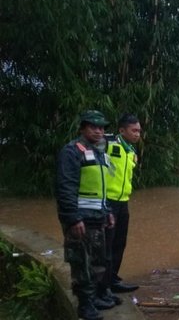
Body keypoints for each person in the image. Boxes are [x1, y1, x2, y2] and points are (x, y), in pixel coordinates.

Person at [56, 110, 117, 320]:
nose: (99, 131)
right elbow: (65, 187)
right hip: (80, 219)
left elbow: (102, 187)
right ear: (83, 128)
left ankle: (94, 298)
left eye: (101, 127)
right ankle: (84, 305)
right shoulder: (72, 151)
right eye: (93, 127)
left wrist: (108, 211)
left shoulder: (100, 153)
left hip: (98, 216)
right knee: (82, 263)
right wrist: (73, 217)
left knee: (98, 262)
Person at [104, 114, 141, 293]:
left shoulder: (131, 151)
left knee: (119, 243)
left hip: (123, 202)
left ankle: (113, 280)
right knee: (106, 244)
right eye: (133, 130)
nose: (137, 134)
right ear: (121, 130)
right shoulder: (108, 144)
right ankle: (102, 285)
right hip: (107, 202)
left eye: (139, 131)